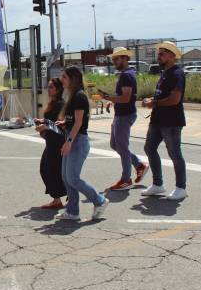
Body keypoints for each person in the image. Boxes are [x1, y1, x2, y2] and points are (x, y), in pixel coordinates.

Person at [56, 66, 109, 220]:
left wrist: (69, 142)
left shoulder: (79, 97)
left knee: (73, 178)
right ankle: (72, 211)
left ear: (72, 79)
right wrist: (64, 123)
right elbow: (73, 120)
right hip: (71, 138)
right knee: (66, 177)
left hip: (78, 141)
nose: (61, 80)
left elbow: (79, 123)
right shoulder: (72, 96)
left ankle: (100, 200)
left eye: (64, 77)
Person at [141, 41, 188, 201]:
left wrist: (154, 102)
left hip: (172, 121)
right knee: (149, 148)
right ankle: (157, 184)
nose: (158, 56)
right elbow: (162, 95)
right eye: (159, 53)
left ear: (172, 56)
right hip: (158, 120)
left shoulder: (177, 74)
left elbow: (175, 99)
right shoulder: (165, 73)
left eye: (162, 53)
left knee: (174, 153)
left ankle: (181, 188)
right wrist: (152, 99)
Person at [100, 47, 149, 191]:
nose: (114, 61)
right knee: (115, 145)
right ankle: (139, 165)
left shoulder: (126, 75)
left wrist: (108, 98)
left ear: (125, 58)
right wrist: (112, 100)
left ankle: (126, 179)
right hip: (121, 114)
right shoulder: (126, 74)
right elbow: (123, 96)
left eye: (117, 59)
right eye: (113, 59)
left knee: (121, 146)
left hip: (124, 115)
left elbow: (126, 98)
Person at [34, 78, 67, 209]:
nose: (49, 89)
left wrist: (45, 127)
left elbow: (60, 125)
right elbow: (50, 120)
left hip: (57, 141)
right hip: (51, 141)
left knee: (49, 170)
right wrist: (41, 121)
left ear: (58, 89)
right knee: (49, 170)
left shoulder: (60, 104)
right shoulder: (53, 103)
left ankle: (59, 197)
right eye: (48, 87)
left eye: (52, 87)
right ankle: (58, 198)